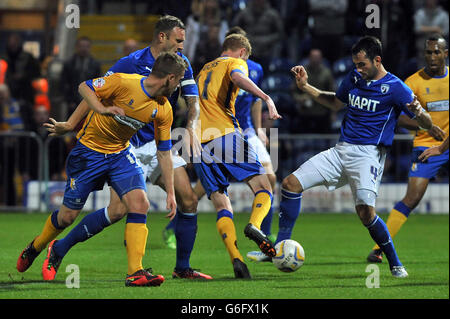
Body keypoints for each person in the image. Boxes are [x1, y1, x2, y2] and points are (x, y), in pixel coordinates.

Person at [17, 15, 212, 281]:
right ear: (162, 37)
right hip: (97, 149)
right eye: (178, 41)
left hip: (130, 148)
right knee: (69, 216)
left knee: (151, 202)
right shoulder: (127, 69)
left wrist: (191, 128)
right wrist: (75, 122)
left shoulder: (176, 78)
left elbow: (191, 105)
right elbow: (90, 90)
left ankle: (145, 271)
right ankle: (43, 245)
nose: (182, 47)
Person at [280, 36, 432, 278]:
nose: (358, 69)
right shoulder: (353, 78)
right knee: (289, 184)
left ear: (377, 60)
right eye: (355, 64)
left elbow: (426, 122)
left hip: (368, 155)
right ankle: (279, 248)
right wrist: (306, 87)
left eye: (362, 64)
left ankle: (395, 262)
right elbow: (335, 103)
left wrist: (418, 111)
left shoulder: (396, 87)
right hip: (341, 150)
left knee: (365, 213)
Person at [194, 33, 281, 278]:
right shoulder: (235, 62)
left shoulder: (202, 70)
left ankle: (237, 258)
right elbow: (237, 77)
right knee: (264, 186)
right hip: (225, 134)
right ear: (242, 51)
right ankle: (254, 225)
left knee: (221, 203)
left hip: (199, 142)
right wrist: (265, 96)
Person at [367, 34, 448, 263]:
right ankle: (377, 248)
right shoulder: (412, 83)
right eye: (428, 52)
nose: (432, 57)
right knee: (411, 198)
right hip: (426, 145)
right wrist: (429, 128)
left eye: (437, 52)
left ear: (445, 54)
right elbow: (400, 119)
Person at [61, 36, 102, 116]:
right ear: (76, 47)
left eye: (86, 46)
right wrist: (69, 101)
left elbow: (99, 84)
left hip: (90, 102)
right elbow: (63, 83)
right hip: (73, 102)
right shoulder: (69, 64)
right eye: (81, 46)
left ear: (90, 48)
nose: (84, 49)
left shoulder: (95, 64)